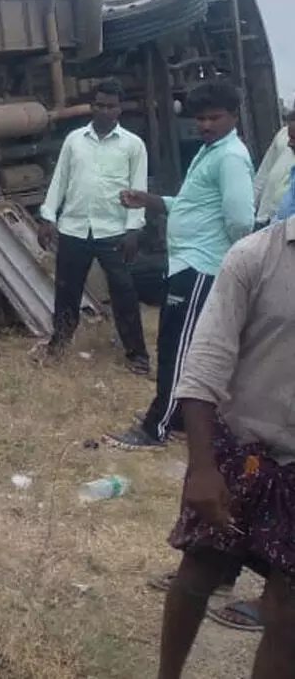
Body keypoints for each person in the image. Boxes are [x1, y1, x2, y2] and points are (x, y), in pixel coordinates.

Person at [152, 214, 295, 679]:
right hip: (243, 451)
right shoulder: (255, 256)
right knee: (199, 570)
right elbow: (206, 362)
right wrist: (202, 467)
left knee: (287, 611)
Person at [107, 81, 255, 450]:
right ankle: (176, 417)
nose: (205, 125)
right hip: (187, 262)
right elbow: (193, 204)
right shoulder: (210, 152)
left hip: (203, 267)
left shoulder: (230, 157)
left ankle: (156, 428)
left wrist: (234, 262)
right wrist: (151, 201)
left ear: (233, 117)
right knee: (176, 343)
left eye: (214, 118)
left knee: (178, 348)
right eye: (200, 118)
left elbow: (240, 220)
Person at [35, 79, 150, 373]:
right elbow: (60, 180)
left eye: (110, 106)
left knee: (124, 291)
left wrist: (134, 230)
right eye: (98, 105)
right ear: (92, 106)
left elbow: (137, 189)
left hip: (113, 231)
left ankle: (137, 355)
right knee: (66, 292)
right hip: (74, 229)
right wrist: (48, 216)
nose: (103, 111)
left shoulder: (133, 145)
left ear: (119, 109)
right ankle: (58, 346)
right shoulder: (74, 140)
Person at [252, 110, 295, 229]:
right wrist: (251, 207)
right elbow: (264, 172)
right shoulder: (284, 134)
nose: (290, 144)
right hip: (263, 217)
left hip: (286, 226)